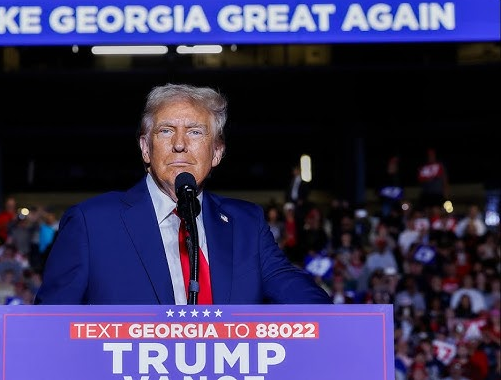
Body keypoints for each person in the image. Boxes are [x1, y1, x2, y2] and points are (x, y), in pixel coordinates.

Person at [34, 83, 331, 305]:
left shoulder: (246, 223)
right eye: (165, 131)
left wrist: (347, 324)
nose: (179, 144)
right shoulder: (92, 223)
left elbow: (297, 291)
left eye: (195, 132)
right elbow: (48, 328)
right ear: (145, 148)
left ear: (216, 152)